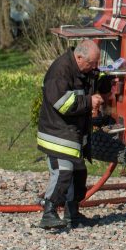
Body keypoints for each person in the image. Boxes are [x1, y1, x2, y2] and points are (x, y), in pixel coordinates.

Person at [35, 39, 104, 230]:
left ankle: (72, 214)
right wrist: (89, 102)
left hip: (72, 134)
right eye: (92, 64)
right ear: (79, 57)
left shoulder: (81, 69)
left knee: (79, 174)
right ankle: (49, 212)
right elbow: (63, 103)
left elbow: (87, 85)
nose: (94, 68)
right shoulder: (60, 71)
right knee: (63, 172)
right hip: (57, 134)